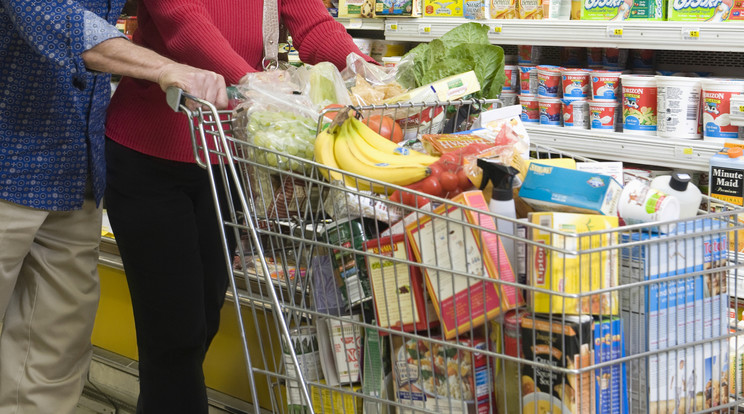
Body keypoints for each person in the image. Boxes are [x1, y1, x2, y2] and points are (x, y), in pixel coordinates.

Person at [103, 0, 375, 412]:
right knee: (174, 332)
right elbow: (184, 23)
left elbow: (313, 24)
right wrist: (257, 85)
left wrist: (368, 72)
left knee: (204, 317)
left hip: (226, 155)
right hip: (151, 157)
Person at [0, 1, 228, 413]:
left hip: (73, 172)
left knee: (55, 357)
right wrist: (164, 67)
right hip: (8, 164)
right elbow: (48, 14)